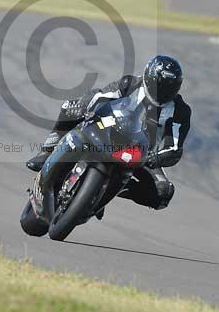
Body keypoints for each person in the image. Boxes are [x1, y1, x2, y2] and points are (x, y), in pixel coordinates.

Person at [27, 55, 191, 212]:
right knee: (70, 107)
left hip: (142, 154)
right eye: (159, 84)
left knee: (163, 193)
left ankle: (111, 190)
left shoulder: (180, 111)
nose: (162, 91)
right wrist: (87, 108)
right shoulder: (131, 83)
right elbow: (100, 96)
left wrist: (156, 158)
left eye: (170, 87)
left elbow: (175, 146)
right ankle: (48, 150)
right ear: (149, 77)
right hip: (108, 129)